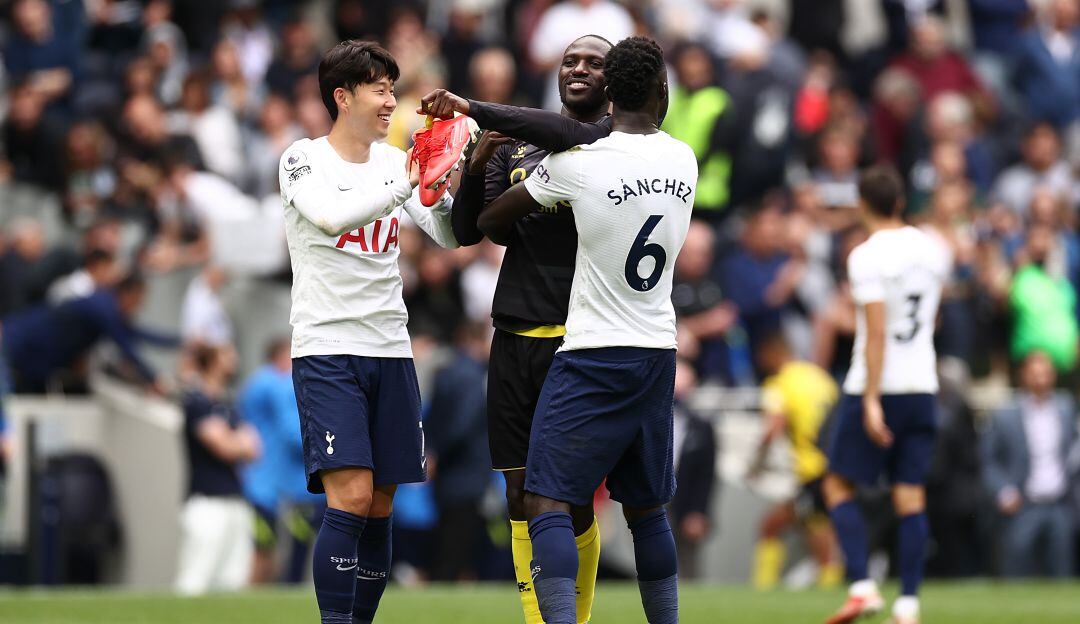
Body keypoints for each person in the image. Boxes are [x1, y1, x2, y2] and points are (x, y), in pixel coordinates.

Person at [477, 36, 695, 624]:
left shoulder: (578, 165)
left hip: (591, 350)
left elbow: (491, 220)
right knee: (647, 510)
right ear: (662, 91)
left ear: (609, 92)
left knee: (546, 500)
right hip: (657, 349)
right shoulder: (684, 160)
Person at [279, 40, 457, 624]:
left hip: (391, 350)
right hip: (328, 349)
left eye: (392, 90)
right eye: (379, 89)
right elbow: (329, 217)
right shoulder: (302, 159)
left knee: (380, 505)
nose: (389, 102)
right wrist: (408, 183)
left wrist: (446, 179)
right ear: (342, 96)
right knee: (351, 496)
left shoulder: (394, 162)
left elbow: (448, 235)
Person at [443, 34, 613, 624]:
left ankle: (575, 617)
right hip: (515, 332)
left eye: (594, 63)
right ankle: (538, 619)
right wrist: (477, 165)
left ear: (614, 80)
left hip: (580, 339)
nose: (579, 69)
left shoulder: (615, 145)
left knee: (567, 494)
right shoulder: (516, 143)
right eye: (570, 61)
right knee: (518, 492)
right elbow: (473, 231)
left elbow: (566, 143)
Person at [822, 166, 949, 624]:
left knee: (837, 484)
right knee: (909, 495)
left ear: (862, 205)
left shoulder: (866, 256)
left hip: (877, 385)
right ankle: (909, 604)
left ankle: (862, 587)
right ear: (899, 202)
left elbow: (876, 333)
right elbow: (933, 315)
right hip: (922, 384)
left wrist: (872, 399)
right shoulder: (935, 248)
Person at [748, 333, 842, 590]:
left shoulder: (780, 383)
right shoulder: (820, 377)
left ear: (771, 354)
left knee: (816, 527)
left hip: (811, 467)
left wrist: (757, 462)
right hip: (835, 463)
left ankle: (824, 582)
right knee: (779, 524)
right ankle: (767, 585)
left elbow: (773, 428)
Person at [981, 351, 1077, 577]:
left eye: (1046, 373)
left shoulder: (1066, 409)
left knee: (1062, 571)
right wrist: (1003, 491)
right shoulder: (1005, 414)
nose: (1041, 379)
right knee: (1016, 571)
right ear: (1023, 375)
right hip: (1023, 504)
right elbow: (988, 460)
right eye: (1035, 374)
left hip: (1060, 504)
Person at [175, 343, 261, 595]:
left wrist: (234, 442)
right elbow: (223, 447)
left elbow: (254, 448)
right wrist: (235, 442)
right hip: (206, 501)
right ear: (212, 361)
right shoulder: (196, 402)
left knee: (234, 578)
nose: (234, 359)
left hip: (236, 500)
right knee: (196, 577)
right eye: (227, 354)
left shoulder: (228, 403)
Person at [239, 338, 325, 585]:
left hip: (258, 479)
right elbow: (293, 434)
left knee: (266, 552)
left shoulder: (255, 382)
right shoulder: (277, 384)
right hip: (270, 483)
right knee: (266, 554)